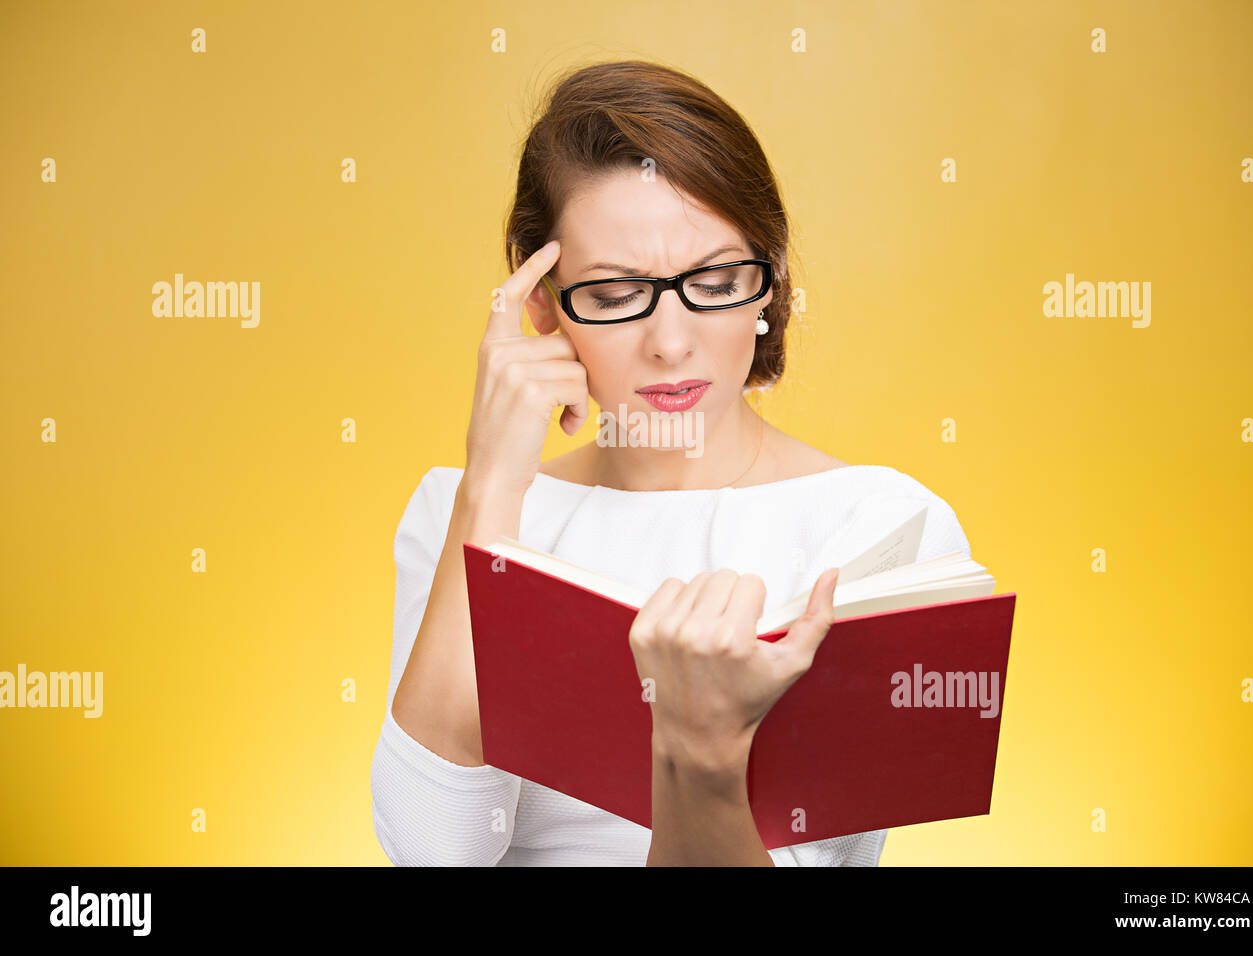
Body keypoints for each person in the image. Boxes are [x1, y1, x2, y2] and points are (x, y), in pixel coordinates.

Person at [370, 59, 971, 866]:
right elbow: (435, 851)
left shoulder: (883, 530)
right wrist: (491, 490)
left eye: (717, 281)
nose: (672, 342)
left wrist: (703, 756)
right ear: (539, 293)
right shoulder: (462, 512)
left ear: (771, 277)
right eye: (617, 296)